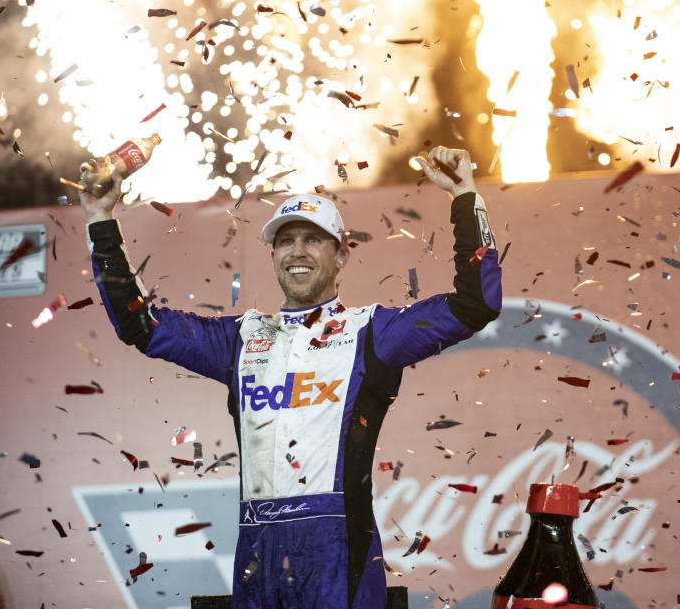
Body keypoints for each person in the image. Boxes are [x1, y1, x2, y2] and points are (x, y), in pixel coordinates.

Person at [79, 147, 502, 609]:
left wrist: (465, 195)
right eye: (285, 240)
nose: (297, 251)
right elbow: (140, 326)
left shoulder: (372, 332)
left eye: (313, 239)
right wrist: (101, 218)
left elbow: (474, 304)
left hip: (338, 545)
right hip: (257, 547)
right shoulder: (239, 338)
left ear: (342, 253)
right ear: (274, 253)